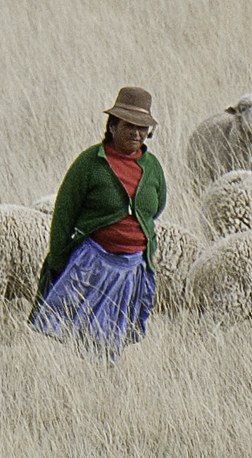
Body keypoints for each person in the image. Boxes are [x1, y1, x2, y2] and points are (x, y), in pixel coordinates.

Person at [30, 86, 168, 359]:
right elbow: (64, 214)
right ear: (113, 126)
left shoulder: (152, 168)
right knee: (79, 337)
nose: (136, 134)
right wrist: (57, 259)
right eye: (129, 126)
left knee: (112, 341)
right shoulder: (90, 163)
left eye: (143, 128)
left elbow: (156, 207)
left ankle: (103, 386)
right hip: (91, 265)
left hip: (132, 268)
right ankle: (76, 384)